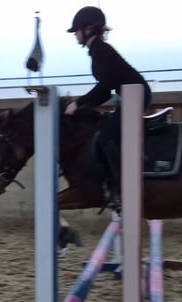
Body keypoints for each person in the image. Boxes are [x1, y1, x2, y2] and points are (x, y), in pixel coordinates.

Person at [63, 6, 152, 210]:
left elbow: (104, 88)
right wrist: (82, 106)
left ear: (89, 29)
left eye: (77, 30)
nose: (75, 35)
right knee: (103, 131)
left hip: (135, 97)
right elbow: (105, 91)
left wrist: (78, 103)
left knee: (105, 138)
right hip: (130, 96)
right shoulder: (98, 51)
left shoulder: (101, 51)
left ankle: (120, 189)